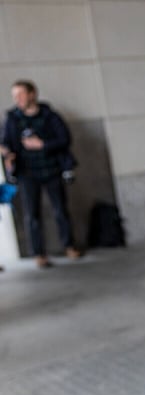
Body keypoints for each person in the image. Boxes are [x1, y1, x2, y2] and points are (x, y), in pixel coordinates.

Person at [2, 80, 81, 268]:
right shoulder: (12, 119)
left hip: (52, 169)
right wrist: (7, 153)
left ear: (32, 94)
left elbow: (65, 139)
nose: (17, 99)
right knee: (32, 214)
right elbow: (5, 142)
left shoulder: (49, 115)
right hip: (27, 173)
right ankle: (39, 253)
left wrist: (43, 145)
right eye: (15, 96)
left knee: (60, 210)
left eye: (21, 94)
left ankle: (69, 246)